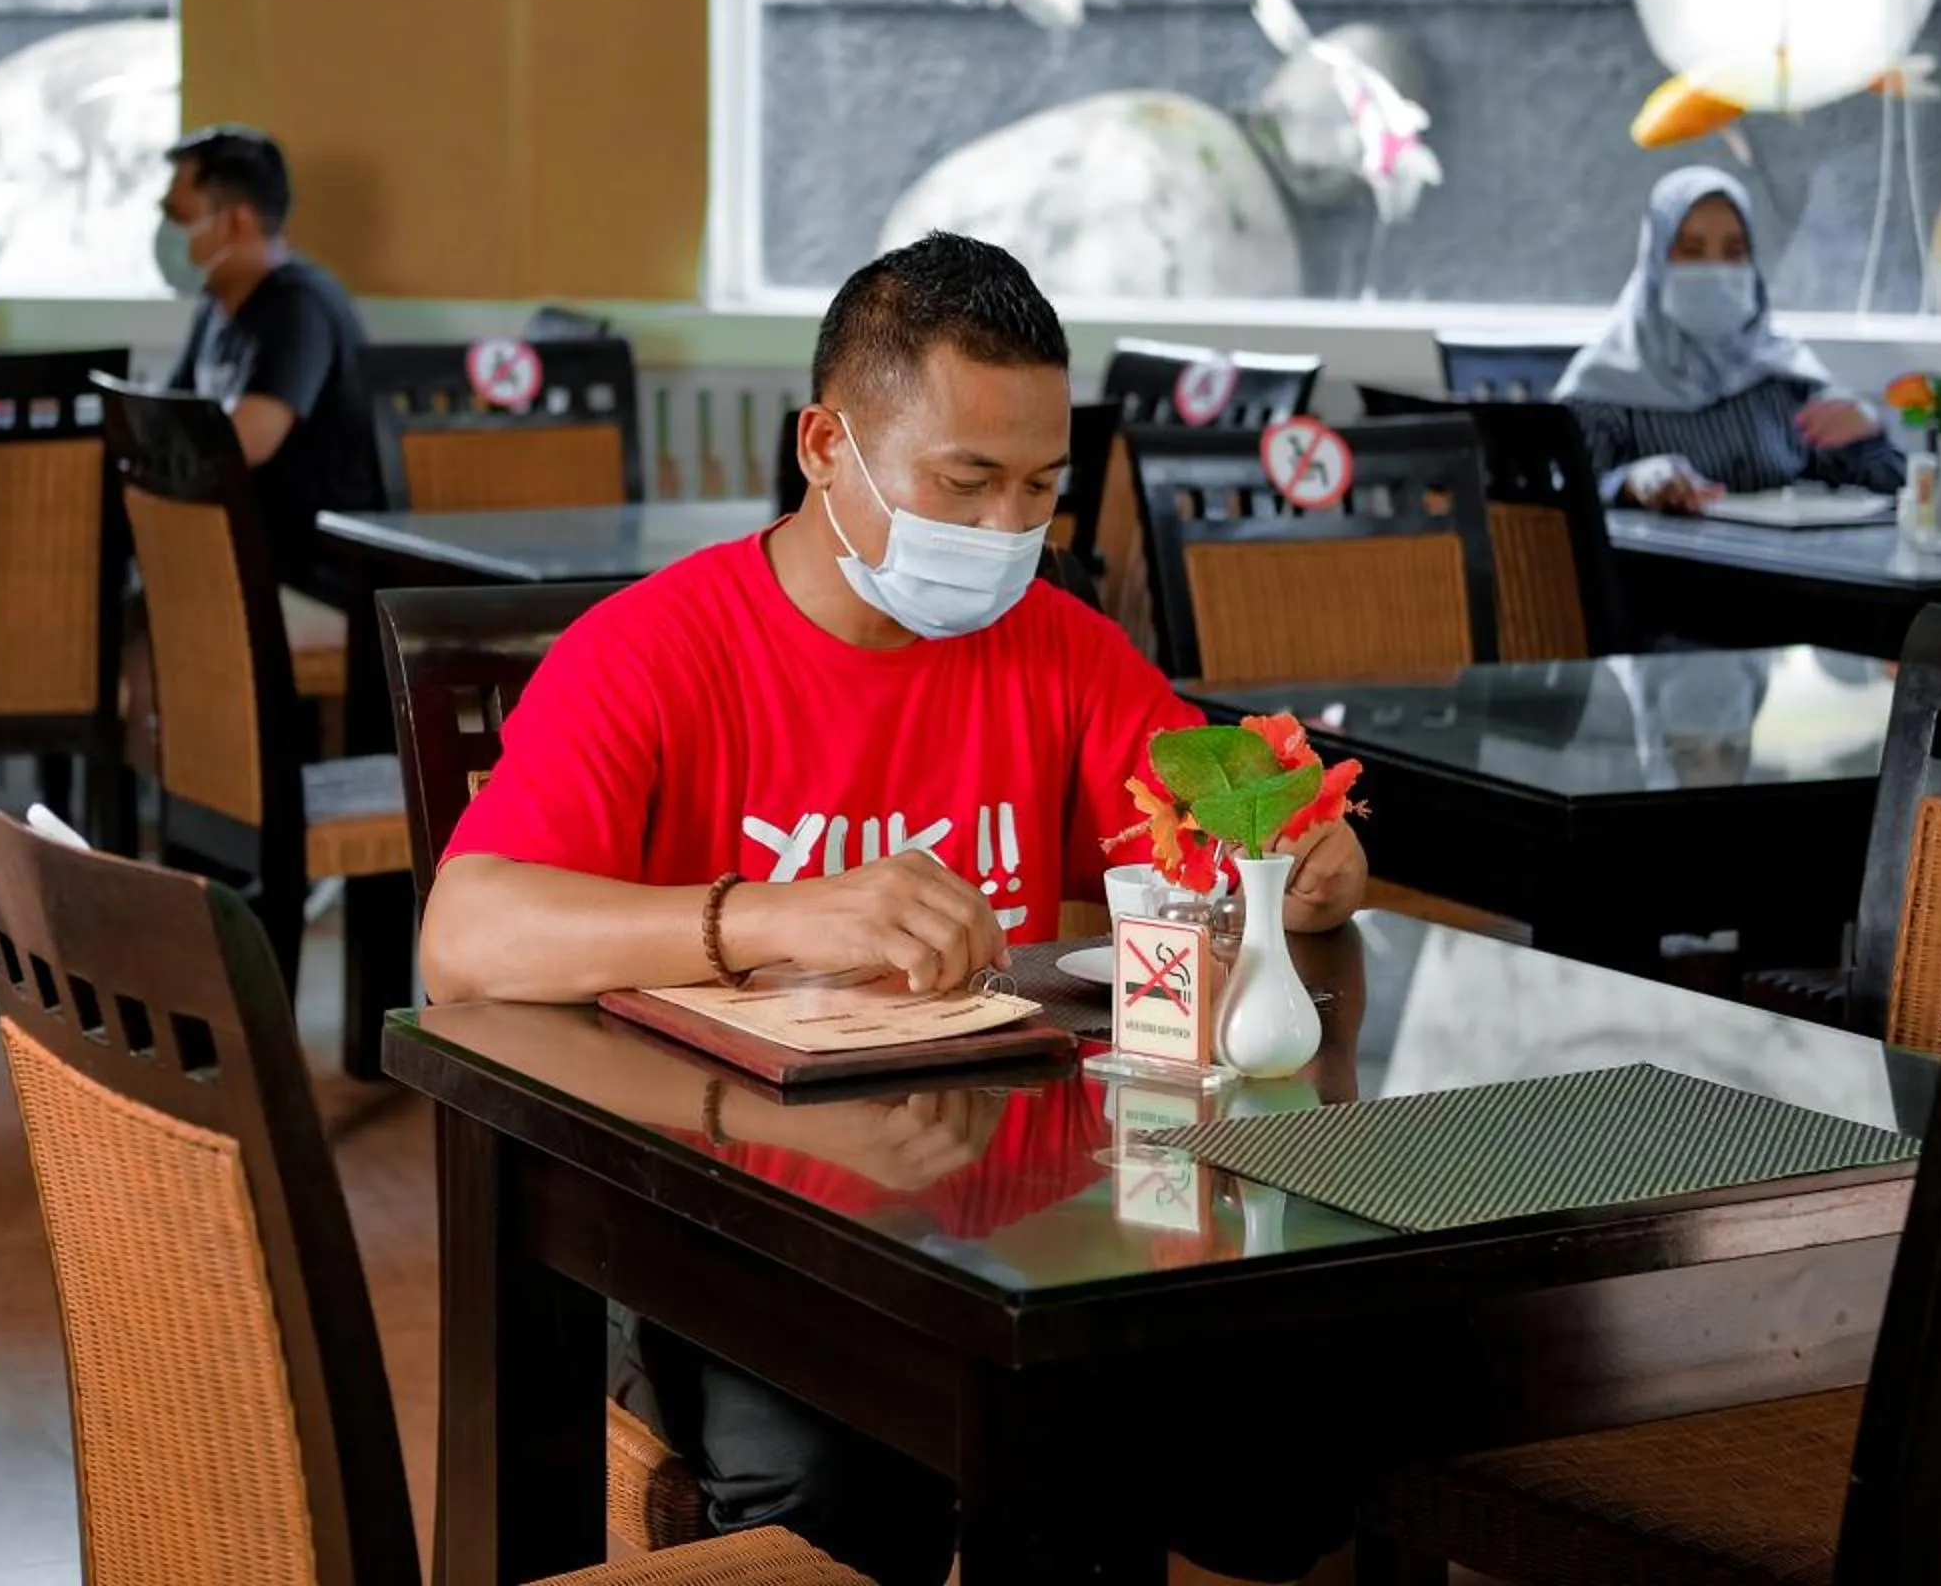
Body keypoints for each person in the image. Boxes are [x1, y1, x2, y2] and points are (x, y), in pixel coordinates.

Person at [421, 232, 1369, 1583]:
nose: (1004, 534)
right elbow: (464, 941)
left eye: (1039, 489)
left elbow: (1217, 840)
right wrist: (772, 917)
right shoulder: (651, 652)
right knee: (841, 1492)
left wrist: (1308, 861)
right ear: (825, 445)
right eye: (964, 482)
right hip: (724, 1228)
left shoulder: (1060, 649)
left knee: (1267, 1444)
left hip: (1033, 1224)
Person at [1557, 167, 1905, 513]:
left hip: (1779, 566)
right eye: (1692, 251)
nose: (1715, 268)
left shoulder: (1785, 378)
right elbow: (1556, 495)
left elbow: (1896, 496)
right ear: (1655, 263)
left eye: (1734, 251)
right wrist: (1630, 482)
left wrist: (1868, 434)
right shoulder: (1602, 387)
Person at [154, 125, 381, 599]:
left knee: (160, 611)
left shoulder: (300, 306)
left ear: (235, 221)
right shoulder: (217, 306)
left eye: (179, 215)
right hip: (245, 554)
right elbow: (164, 417)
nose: (167, 233)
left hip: (314, 578)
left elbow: (245, 442)